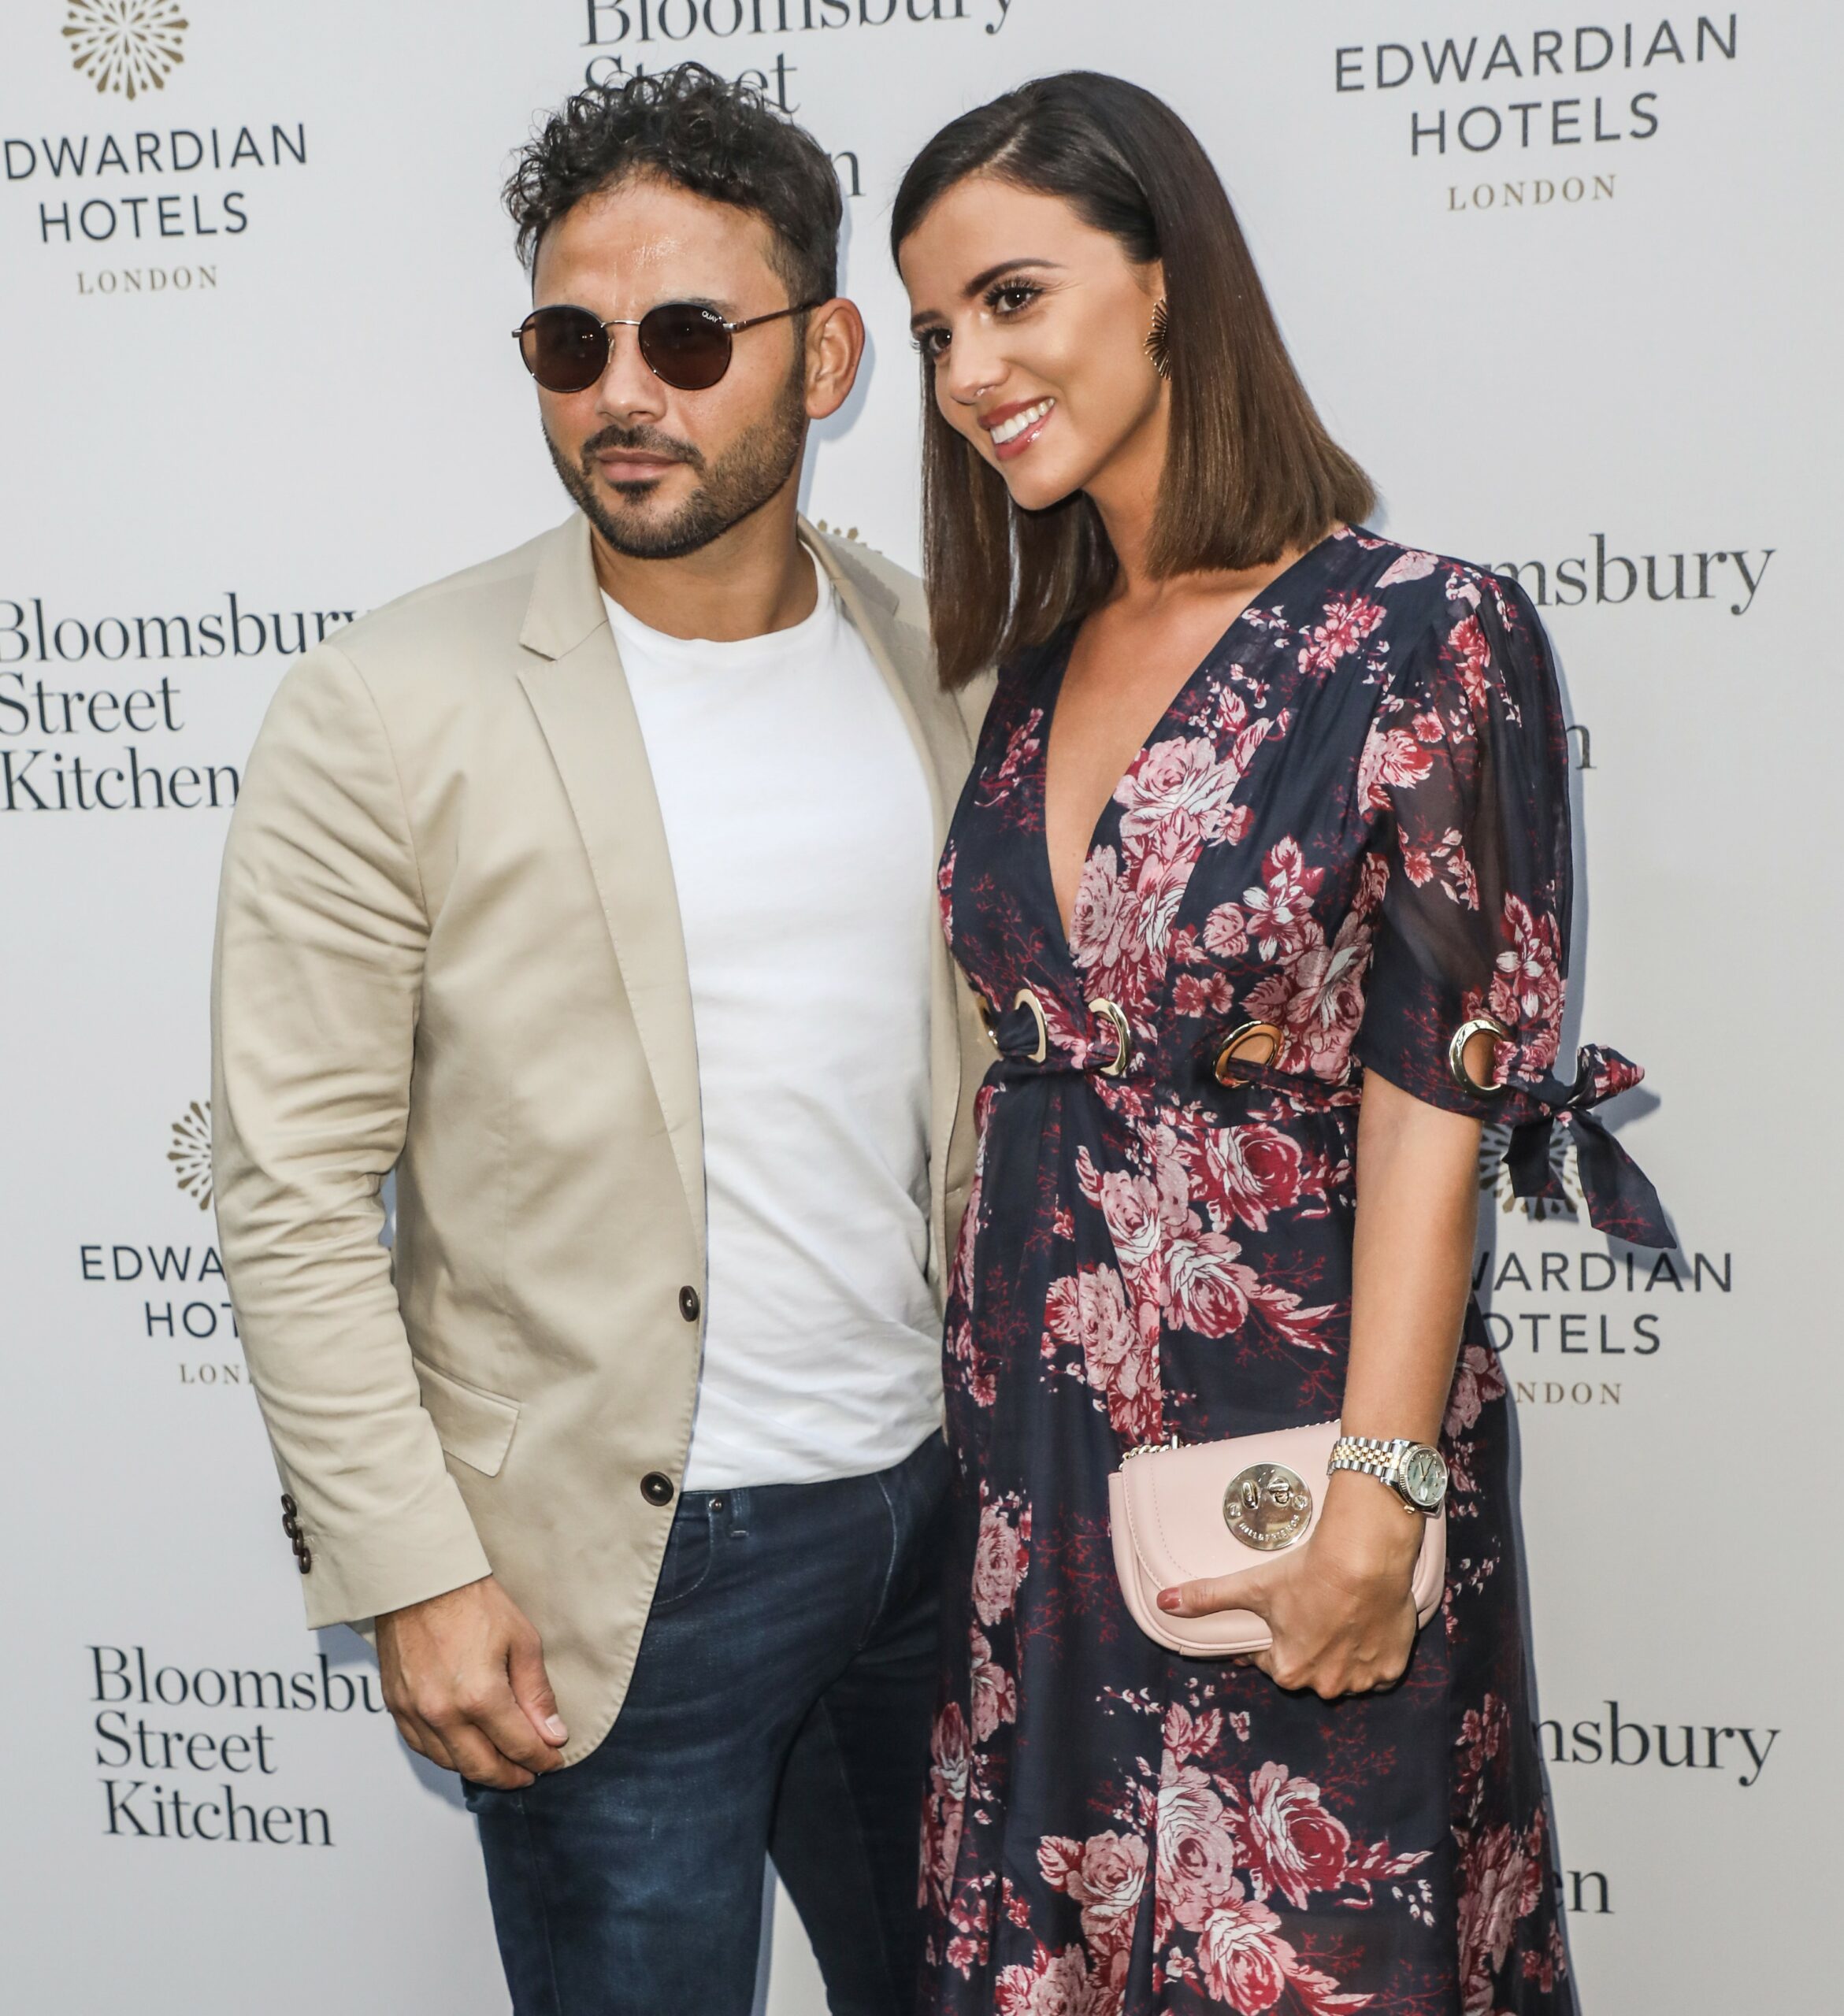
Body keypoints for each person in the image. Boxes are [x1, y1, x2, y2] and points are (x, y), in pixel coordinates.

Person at [212, 65, 988, 2016]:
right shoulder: (387, 703)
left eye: (684, 336)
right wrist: (409, 1564)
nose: (620, 390)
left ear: (821, 359)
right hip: (612, 1581)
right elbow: (292, 1186)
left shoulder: (950, 663)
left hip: (936, 1520)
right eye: (571, 340)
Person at [891, 72, 1668, 2014]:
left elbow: (1436, 1105)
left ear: (1165, 283)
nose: (967, 370)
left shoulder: (1423, 635)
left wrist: (1379, 1491)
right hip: (1040, 1472)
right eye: (928, 333)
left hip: (1298, 1452)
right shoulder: (1036, 661)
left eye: (1010, 297)